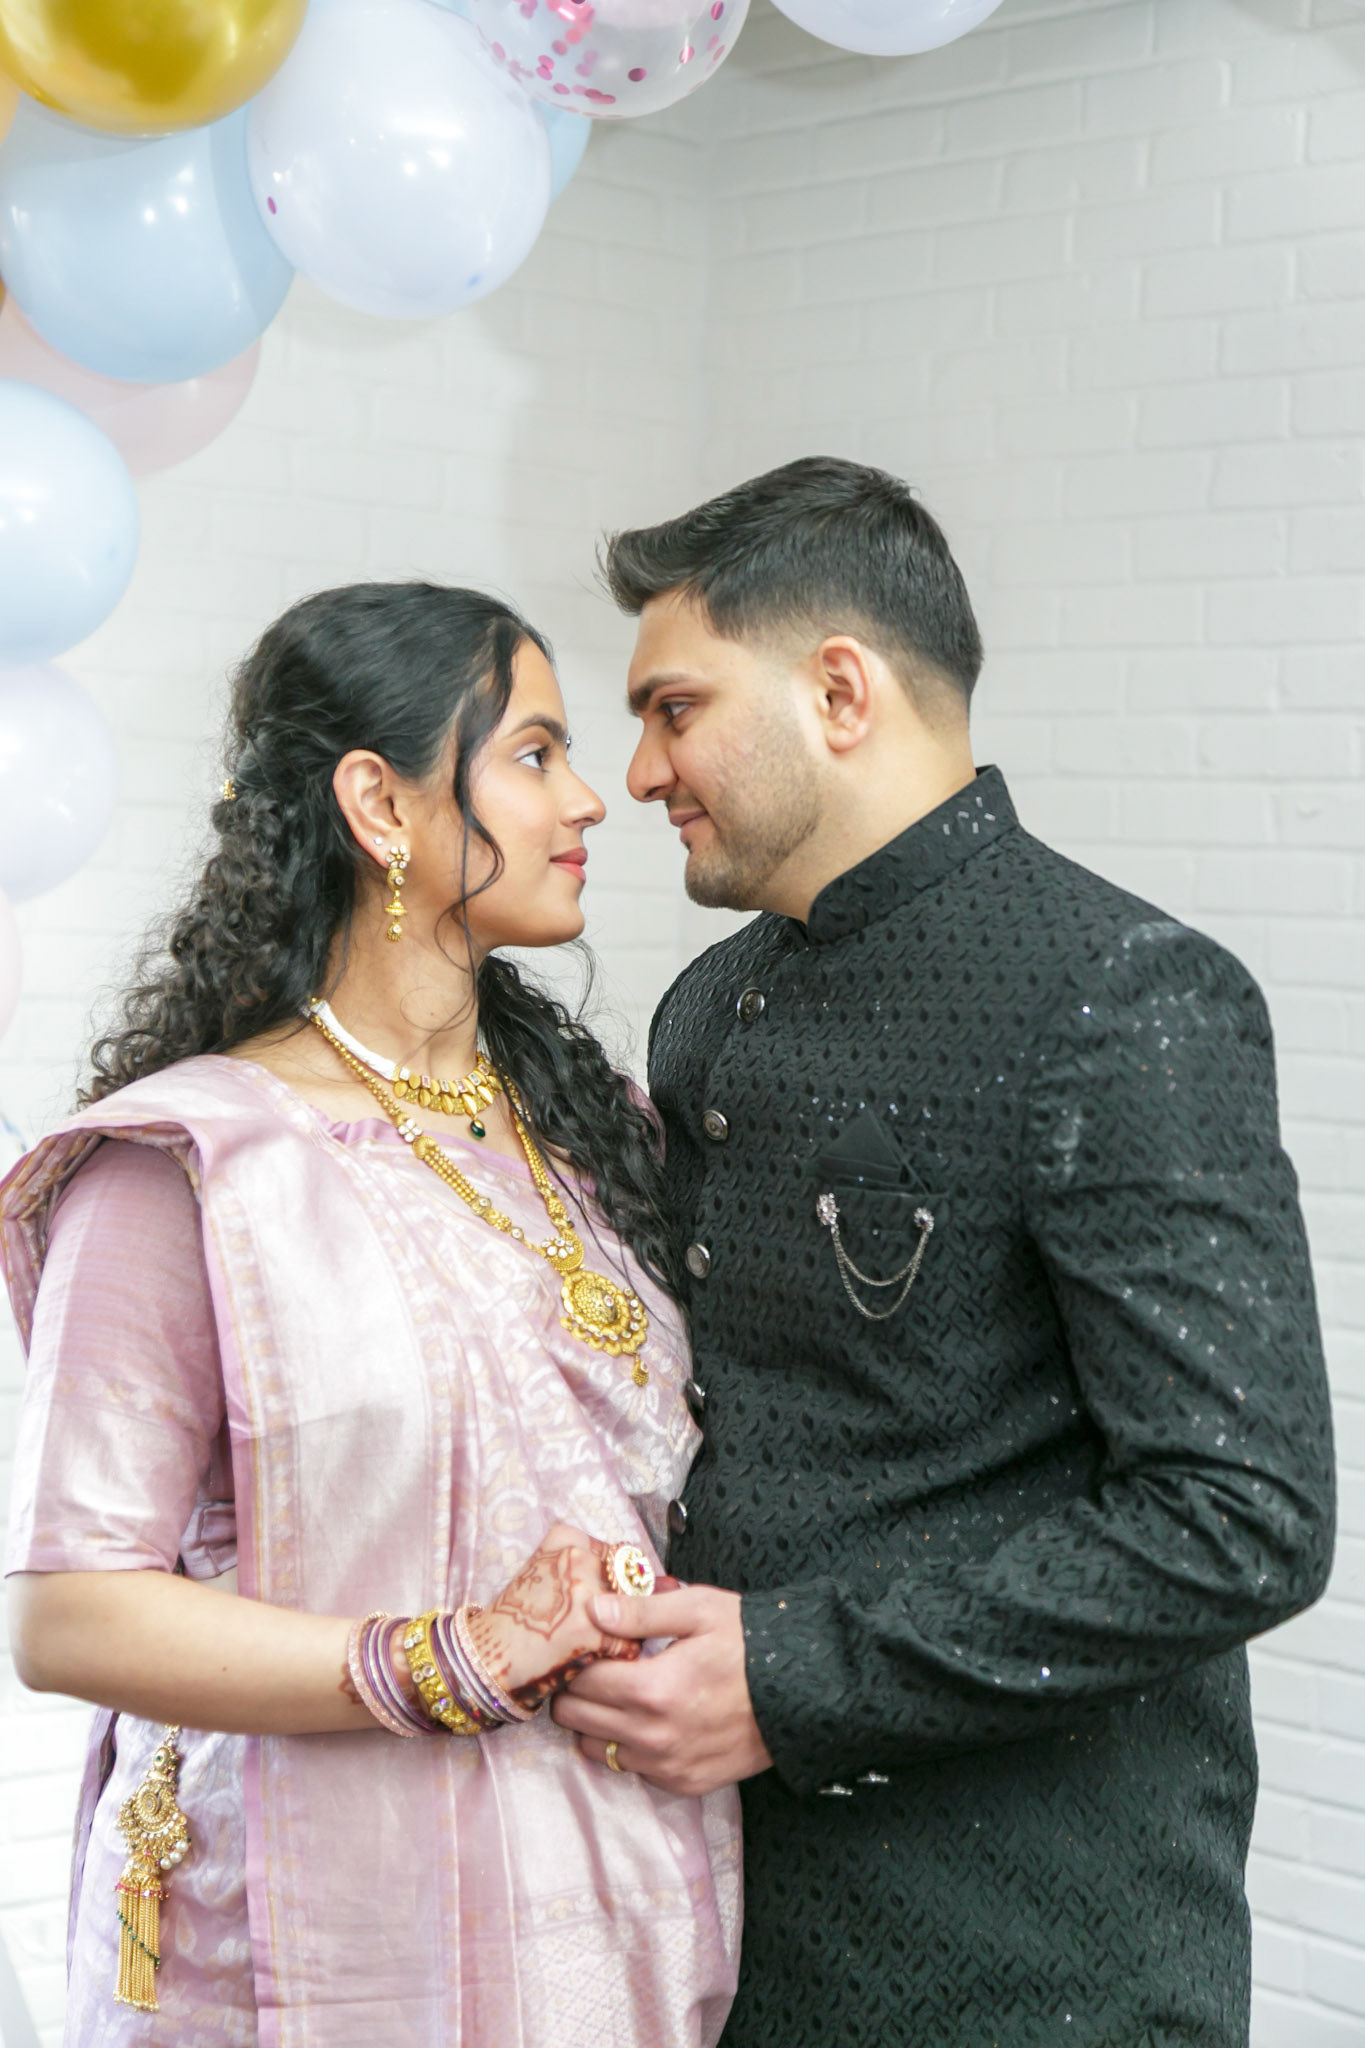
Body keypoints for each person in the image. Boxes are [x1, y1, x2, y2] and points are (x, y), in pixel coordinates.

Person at [552, 457, 1336, 2047]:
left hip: (1036, 1960)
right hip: (727, 1926)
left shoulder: (1117, 992)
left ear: (838, 691)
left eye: (673, 709)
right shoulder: (706, 1009)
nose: (637, 773)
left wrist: (790, 1674)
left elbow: (1239, 1518)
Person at [2, 583, 740, 2047]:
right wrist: (447, 1658)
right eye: (533, 754)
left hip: (619, 1914)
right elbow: (68, 1614)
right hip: (312, 1944)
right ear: (380, 805)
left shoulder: (597, 1135)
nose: (588, 798)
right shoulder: (191, 1166)